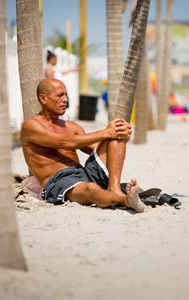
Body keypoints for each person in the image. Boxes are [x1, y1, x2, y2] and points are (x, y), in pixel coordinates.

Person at [20, 79, 146, 212]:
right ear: (43, 99)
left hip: (84, 173)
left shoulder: (71, 126)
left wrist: (121, 135)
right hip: (59, 181)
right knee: (90, 188)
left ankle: (114, 188)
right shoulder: (31, 126)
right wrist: (106, 132)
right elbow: (66, 143)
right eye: (59, 95)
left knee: (116, 135)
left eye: (66, 95)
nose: (65, 100)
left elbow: (97, 147)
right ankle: (126, 200)